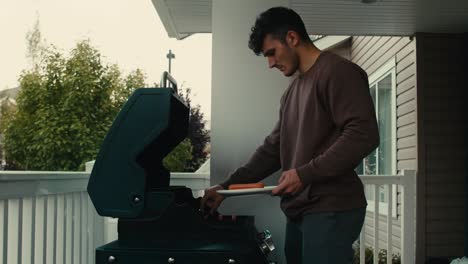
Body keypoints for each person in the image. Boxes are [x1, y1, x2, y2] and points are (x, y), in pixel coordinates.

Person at [200, 6, 379, 264]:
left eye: (272, 53)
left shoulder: (338, 72)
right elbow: (273, 149)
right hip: (301, 209)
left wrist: (304, 174)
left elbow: (364, 134)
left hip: (331, 208)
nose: (270, 63)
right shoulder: (292, 92)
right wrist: (225, 187)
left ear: (292, 38)